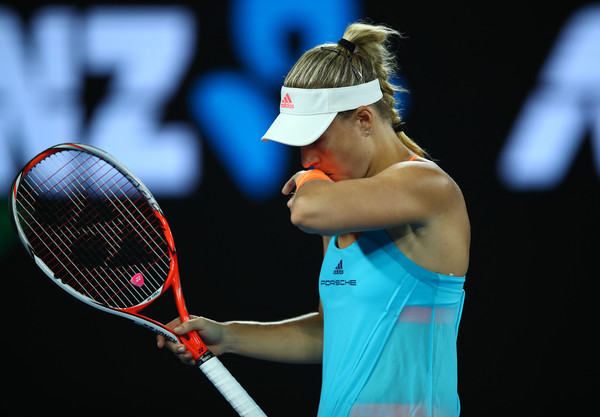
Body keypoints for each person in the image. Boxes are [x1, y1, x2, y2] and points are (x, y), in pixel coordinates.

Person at [157, 22, 470, 417]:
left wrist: (311, 182)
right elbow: (331, 333)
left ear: (363, 120)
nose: (307, 160)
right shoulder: (340, 206)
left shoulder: (428, 186)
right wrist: (228, 335)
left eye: (317, 140)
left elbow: (307, 209)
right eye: (301, 146)